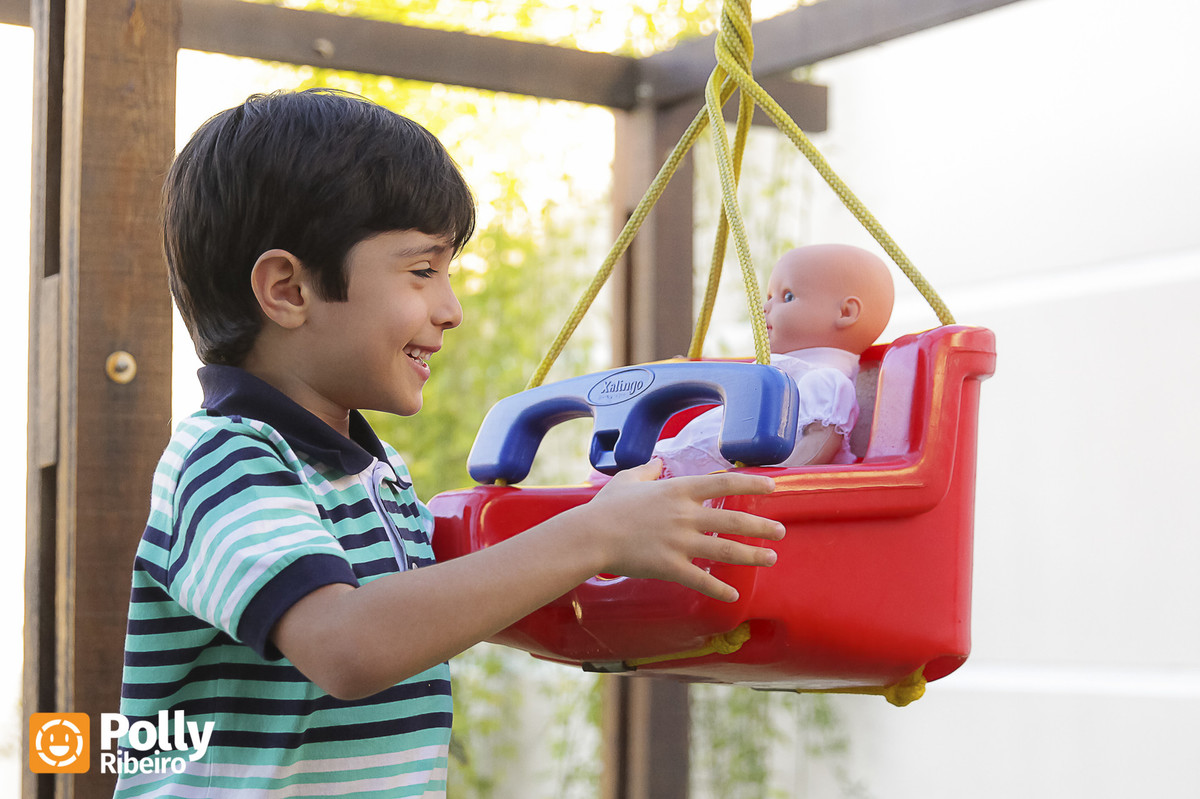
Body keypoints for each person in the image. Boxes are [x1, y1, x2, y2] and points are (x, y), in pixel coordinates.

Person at [112, 88, 783, 798]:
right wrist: (593, 536)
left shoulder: (373, 473)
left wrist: (631, 558)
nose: (452, 308)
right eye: (423, 271)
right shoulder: (227, 460)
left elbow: (452, 607)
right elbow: (348, 646)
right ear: (289, 290)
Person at [652, 244, 895, 477]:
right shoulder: (786, 371)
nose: (765, 307)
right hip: (682, 469)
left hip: (693, 477)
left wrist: (765, 483)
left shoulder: (826, 380)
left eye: (787, 296)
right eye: (769, 296)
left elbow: (819, 441)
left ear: (845, 312)